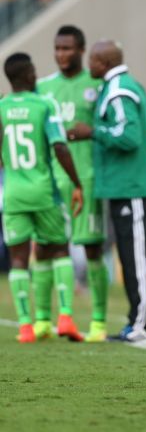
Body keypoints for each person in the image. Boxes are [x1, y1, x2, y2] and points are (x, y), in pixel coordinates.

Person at [67, 40, 146, 346]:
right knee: (131, 258)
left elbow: (128, 136)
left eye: (93, 61)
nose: (89, 66)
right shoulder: (119, 85)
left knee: (137, 260)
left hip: (135, 187)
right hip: (129, 187)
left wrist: (92, 132)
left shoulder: (119, 90)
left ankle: (143, 327)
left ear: (104, 62)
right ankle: (138, 323)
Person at [1, 53, 85, 343]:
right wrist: (77, 183)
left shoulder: (1, 107)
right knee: (59, 248)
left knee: (18, 258)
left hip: (13, 193)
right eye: (33, 71)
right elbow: (60, 147)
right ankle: (65, 317)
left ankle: (26, 326)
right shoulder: (44, 104)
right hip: (43, 191)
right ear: (27, 75)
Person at [33, 25, 109, 342]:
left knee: (92, 247)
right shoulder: (42, 87)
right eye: (57, 48)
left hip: (87, 178)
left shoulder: (97, 85)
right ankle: (43, 319)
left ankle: (98, 321)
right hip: (51, 180)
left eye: (67, 48)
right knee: (45, 247)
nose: (61, 54)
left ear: (81, 50)